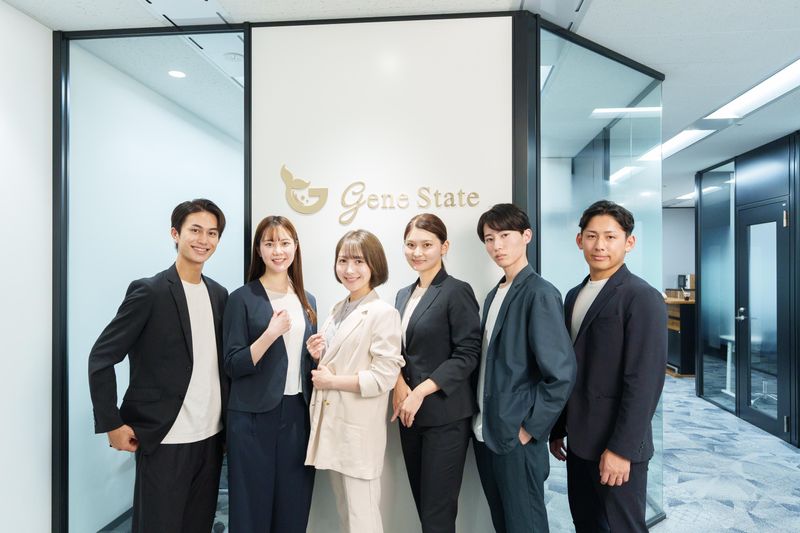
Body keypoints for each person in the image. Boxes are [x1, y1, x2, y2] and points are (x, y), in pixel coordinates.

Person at [87, 199, 229, 533]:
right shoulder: (149, 292)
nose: (203, 240)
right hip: (164, 438)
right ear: (175, 234)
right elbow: (101, 357)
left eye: (212, 233)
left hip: (211, 438)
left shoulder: (220, 295)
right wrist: (111, 423)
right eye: (195, 230)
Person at [549, 200, 667, 533]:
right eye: (591, 236)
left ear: (629, 242)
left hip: (617, 444)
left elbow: (644, 382)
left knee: (623, 527)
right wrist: (559, 427)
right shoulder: (574, 295)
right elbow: (571, 368)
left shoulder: (641, 297)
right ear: (579, 240)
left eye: (611, 237)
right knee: (586, 523)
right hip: (580, 439)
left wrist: (621, 450)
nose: (600, 245)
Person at [472, 203, 576, 533]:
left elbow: (560, 374)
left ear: (526, 236)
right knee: (503, 523)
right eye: (490, 239)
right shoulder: (494, 295)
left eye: (505, 235)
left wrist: (530, 428)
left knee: (525, 524)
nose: (497, 245)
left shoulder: (540, 293)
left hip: (517, 436)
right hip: (487, 431)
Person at [305, 229, 404, 533]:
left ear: (374, 264)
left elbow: (384, 376)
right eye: (343, 261)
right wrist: (318, 355)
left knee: (363, 517)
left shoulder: (383, 313)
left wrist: (332, 381)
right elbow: (339, 361)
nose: (349, 269)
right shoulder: (338, 309)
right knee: (345, 511)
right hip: (334, 425)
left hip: (358, 430)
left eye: (359, 261)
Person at [222, 215, 317, 533]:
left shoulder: (307, 300)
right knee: (251, 509)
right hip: (251, 417)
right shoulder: (241, 298)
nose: (278, 250)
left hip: (297, 414)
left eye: (285, 243)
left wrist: (316, 355)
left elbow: (302, 364)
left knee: (294, 506)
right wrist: (270, 334)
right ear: (259, 250)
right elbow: (233, 364)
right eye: (270, 243)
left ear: (295, 247)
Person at [392, 213, 481, 533]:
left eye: (427, 245)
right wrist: (399, 384)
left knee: (437, 515)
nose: (417, 252)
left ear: (444, 247)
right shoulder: (403, 295)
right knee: (423, 507)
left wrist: (420, 391)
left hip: (445, 418)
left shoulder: (456, 291)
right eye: (410, 244)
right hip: (410, 417)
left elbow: (468, 353)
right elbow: (396, 351)